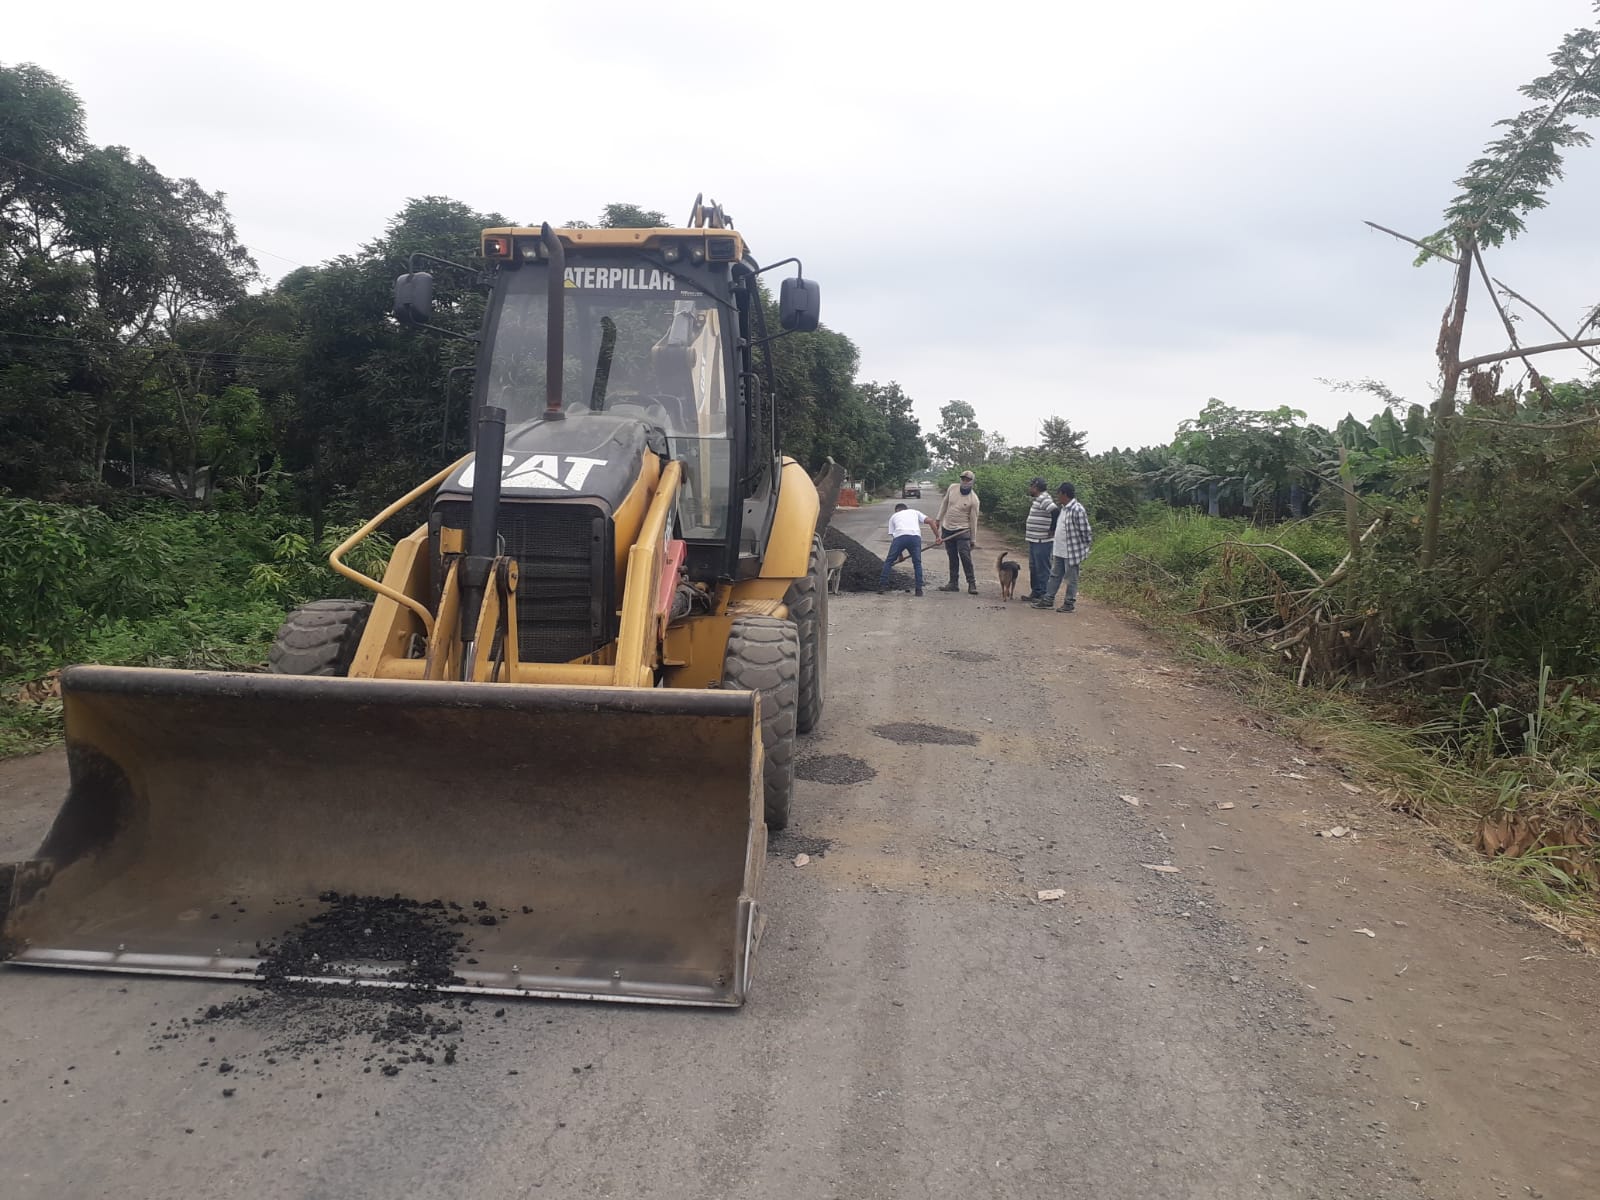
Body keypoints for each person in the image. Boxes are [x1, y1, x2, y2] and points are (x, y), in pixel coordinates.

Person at [1032, 481, 1092, 612]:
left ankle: (1069, 603)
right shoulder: (1064, 509)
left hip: (1071, 551)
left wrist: (1082, 548)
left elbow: (1086, 532)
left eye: (1059, 494)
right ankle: (1048, 600)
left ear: (1064, 494)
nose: (1057, 497)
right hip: (1059, 549)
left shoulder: (1077, 509)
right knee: (1055, 575)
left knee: (1071, 578)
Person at [936, 469, 980, 594]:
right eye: (963, 479)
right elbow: (945, 503)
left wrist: (973, 539)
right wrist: (938, 519)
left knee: (965, 556)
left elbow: (974, 521)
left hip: (962, 530)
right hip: (947, 528)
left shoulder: (974, 499)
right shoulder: (952, 488)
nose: (965, 481)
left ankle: (971, 583)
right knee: (952, 556)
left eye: (968, 480)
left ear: (972, 482)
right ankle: (953, 583)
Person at [879, 502, 938, 596]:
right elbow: (931, 521)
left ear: (897, 510)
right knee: (917, 564)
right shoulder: (914, 512)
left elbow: (895, 536)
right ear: (906, 508)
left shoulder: (894, 516)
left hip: (900, 538)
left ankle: (882, 586)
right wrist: (938, 537)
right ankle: (919, 590)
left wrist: (900, 555)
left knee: (889, 561)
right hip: (915, 538)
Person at [1023, 476, 1059, 601]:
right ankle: (1036, 592)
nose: (1029, 489)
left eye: (1031, 486)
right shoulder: (1039, 499)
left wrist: (1052, 529)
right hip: (1034, 540)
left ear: (1035, 487)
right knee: (1034, 567)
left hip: (1042, 541)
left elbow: (1055, 512)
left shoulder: (1044, 498)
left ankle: (1044, 594)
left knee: (1042, 568)